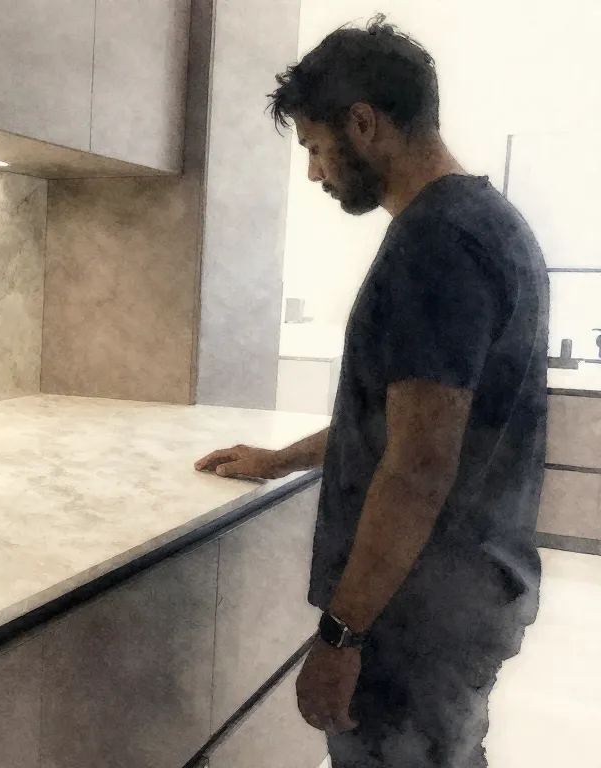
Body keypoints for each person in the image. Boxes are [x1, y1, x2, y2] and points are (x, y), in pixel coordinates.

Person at [195, 15, 549, 768]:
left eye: (316, 147)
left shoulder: (435, 245)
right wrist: (279, 459)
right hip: (462, 595)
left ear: (364, 124)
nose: (314, 173)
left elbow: (418, 466)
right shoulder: (487, 222)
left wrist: (341, 636)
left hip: (417, 616)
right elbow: (410, 423)